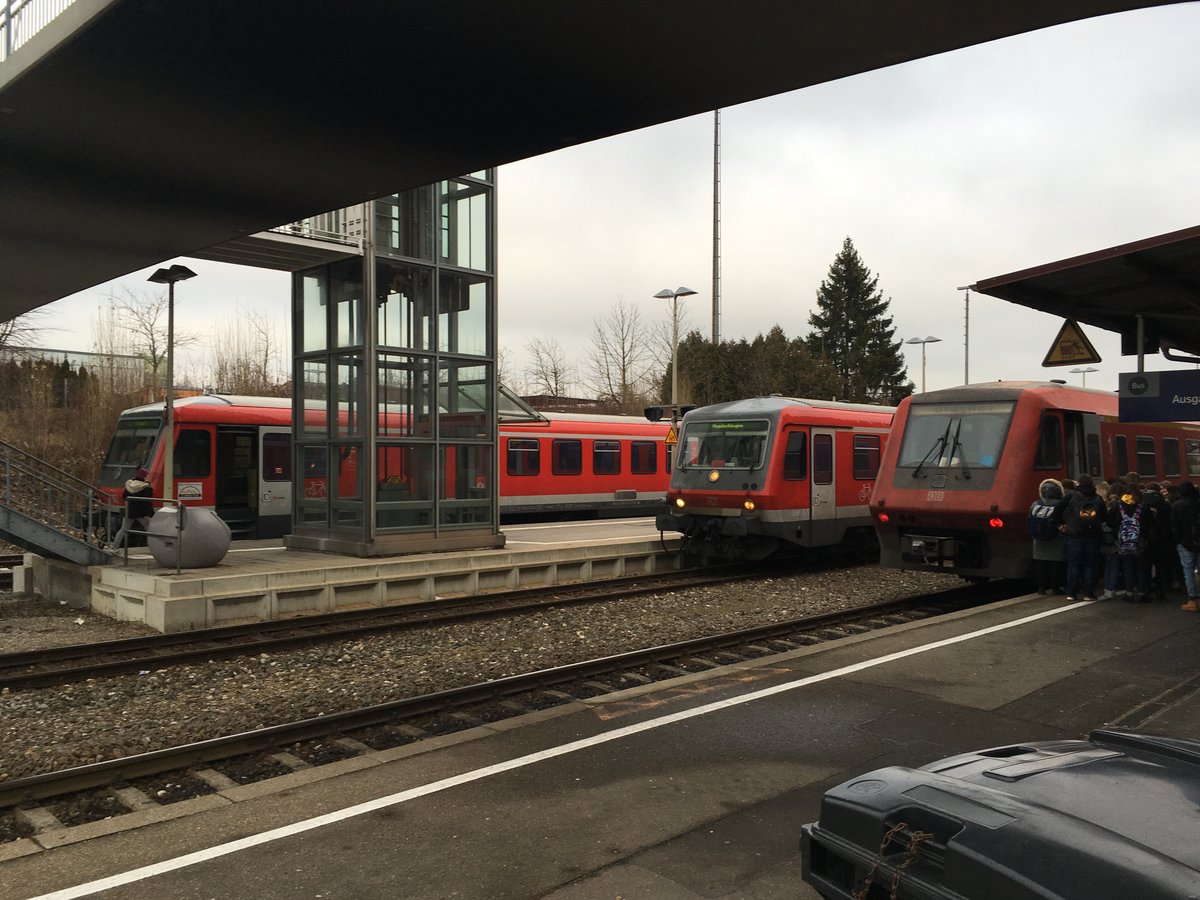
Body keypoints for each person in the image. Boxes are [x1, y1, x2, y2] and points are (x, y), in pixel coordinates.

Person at [1061, 473, 1105, 602]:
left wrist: (1064, 524)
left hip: (1074, 535)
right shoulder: (1097, 498)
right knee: (1090, 564)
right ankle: (1088, 593)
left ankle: (1071, 593)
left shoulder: (1071, 496)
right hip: (1092, 536)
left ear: (1078, 484)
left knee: (1073, 564)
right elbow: (1104, 516)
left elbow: (1058, 510)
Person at [1028, 478, 1066, 595]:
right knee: (1055, 564)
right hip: (1056, 539)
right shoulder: (1060, 505)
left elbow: (1029, 519)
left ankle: (1041, 588)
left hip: (1038, 540)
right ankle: (1055, 588)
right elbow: (1064, 519)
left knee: (1041, 565)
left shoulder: (1035, 504)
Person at [1139, 482, 1174, 600]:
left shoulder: (1142, 506)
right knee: (1161, 567)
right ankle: (1161, 591)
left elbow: (1140, 524)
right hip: (1162, 540)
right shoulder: (1165, 505)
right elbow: (1169, 523)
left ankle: (1145, 592)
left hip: (1146, 541)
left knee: (1145, 568)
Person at [1112, 488, 1148, 603]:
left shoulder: (1119, 506)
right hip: (1139, 541)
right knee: (1141, 567)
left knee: (1127, 567)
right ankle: (1142, 593)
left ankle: (1129, 593)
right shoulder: (1142, 506)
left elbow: (1111, 522)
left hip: (1123, 542)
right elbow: (1149, 523)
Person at [108, 467, 154, 550]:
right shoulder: (146, 487)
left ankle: (114, 547)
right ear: (145, 476)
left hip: (130, 511)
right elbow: (147, 502)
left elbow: (124, 497)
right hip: (142, 513)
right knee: (150, 530)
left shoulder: (129, 484)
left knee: (123, 530)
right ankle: (154, 548)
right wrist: (148, 514)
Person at [1172, 481, 1200, 611]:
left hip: (1184, 541)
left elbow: (1175, 526)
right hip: (1198, 540)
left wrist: (1177, 540)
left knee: (1188, 570)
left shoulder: (1177, 505)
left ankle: (1193, 599)